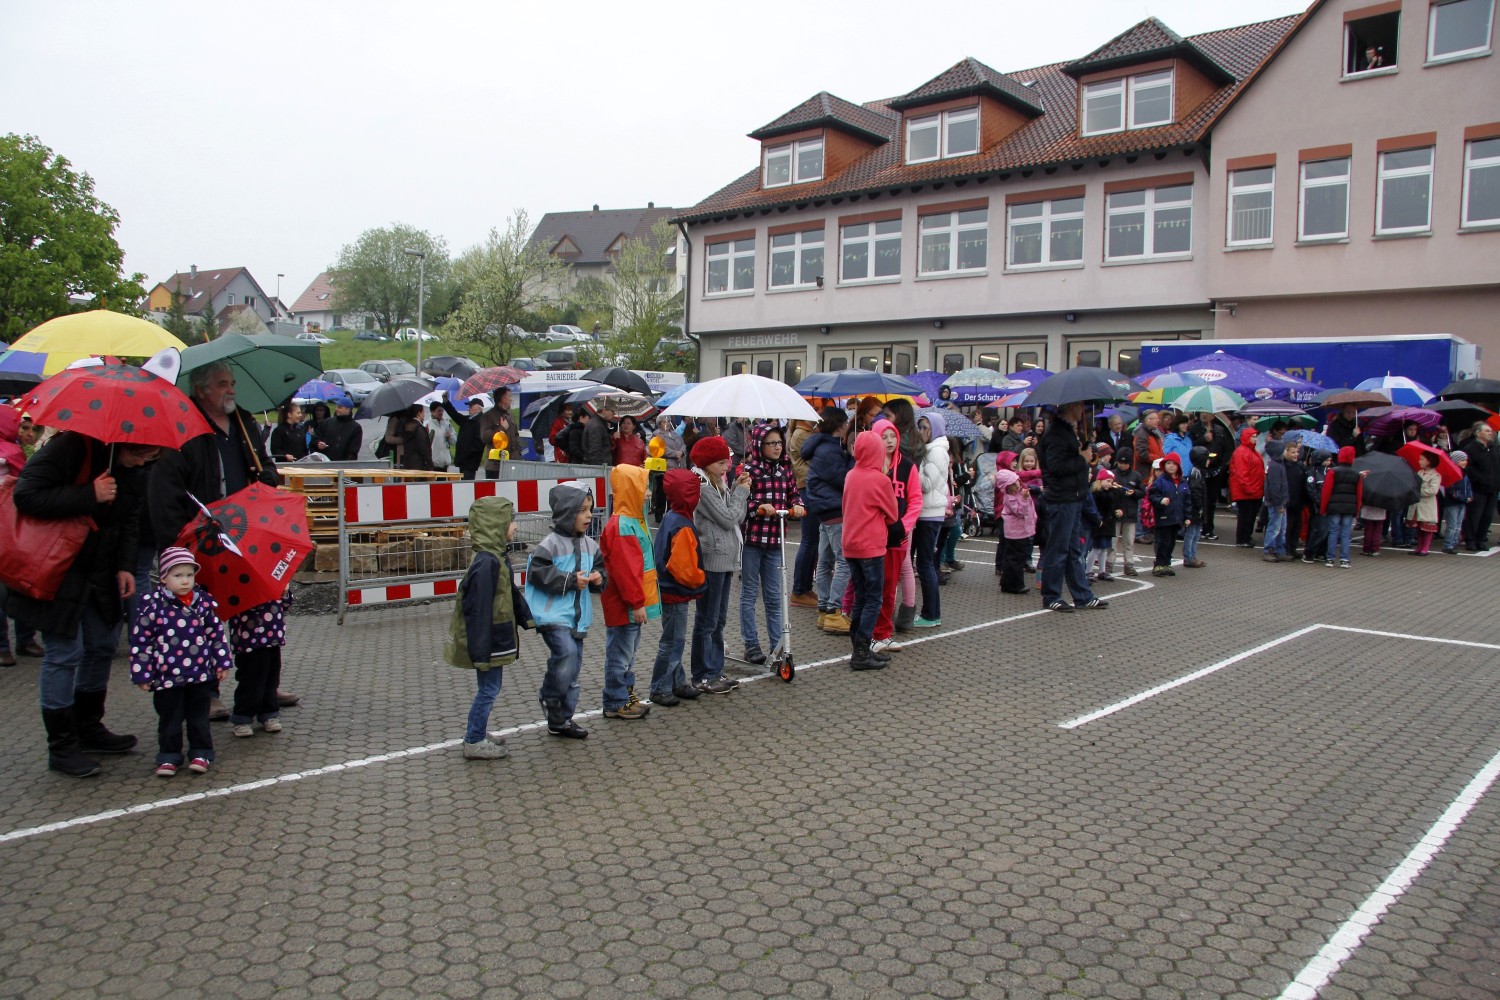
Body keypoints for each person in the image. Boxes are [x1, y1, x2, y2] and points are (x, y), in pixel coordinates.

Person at [8, 432, 160, 777]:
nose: (142, 463)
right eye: (140, 455)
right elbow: (26, 495)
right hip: (59, 567)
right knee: (64, 653)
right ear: (122, 443)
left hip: (101, 570)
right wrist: (89, 494)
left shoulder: (134, 469)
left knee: (102, 645)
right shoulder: (70, 447)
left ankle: (89, 726)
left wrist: (125, 565)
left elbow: (130, 519)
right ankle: (61, 746)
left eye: (150, 458)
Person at [129, 547, 232, 777]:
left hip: (199, 674)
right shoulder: (153, 606)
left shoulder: (203, 603)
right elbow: (141, 642)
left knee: (199, 717)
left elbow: (216, 635)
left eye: (189, 575)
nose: (185, 581)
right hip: (167, 676)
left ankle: (201, 752)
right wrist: (142, 673)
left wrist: (221, 662)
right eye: (178, 575)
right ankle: (169, 755)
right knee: (170, 718)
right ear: (163, 578)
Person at [445, 495, 534, 759]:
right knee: (489, 689)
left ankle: (478, 732)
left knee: (490, 687)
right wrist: (481, 649)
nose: (515, 527)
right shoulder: (488, 563)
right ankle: (474, 739)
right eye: (511, 521)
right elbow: (479, 609)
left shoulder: (495, 558)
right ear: (496, 525)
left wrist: (526, 618)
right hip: (490, 640)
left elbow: (510, 595)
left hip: (494, 636)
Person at [524, 484, 603, 739]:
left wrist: (599, 578)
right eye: (582, 510)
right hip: (553, 615)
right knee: (566, 653)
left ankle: (561, 720)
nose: (589, 515)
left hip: (578, 618)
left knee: (573, 670)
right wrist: (569, 580)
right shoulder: (550, 545)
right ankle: (549, 696)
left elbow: (602, 569)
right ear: (567, 512)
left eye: (590, 509)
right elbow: (538, 573)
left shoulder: (591, 545)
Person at [595, 464, 660, 720]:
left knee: (627, 653)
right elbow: (626, 571)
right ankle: (615, 700)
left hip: (630, 604)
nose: (649, 493)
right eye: (644, 487)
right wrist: (637, 602)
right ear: (631, 489)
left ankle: (624, 695)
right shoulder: (623, 525)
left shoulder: (632, 521)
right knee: (620, 654)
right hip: (625, 605)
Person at [737, 423, 803, 665]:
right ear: (759, 445)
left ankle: (778, 645)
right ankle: (751, 644)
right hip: (753, 541)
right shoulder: (748, 471)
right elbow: (740, 502)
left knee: (774, 597)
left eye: (779, 443)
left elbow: (794, 495)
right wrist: (758, 508)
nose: (777, 447)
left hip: (776, 542)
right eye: (771, 443)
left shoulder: (785, 470)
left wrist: (798, 506)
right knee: (749, 593)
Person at [689, 436, 749, 695]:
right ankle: (703, 674)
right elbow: (728, 518)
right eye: (721, 462)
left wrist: (736, 490)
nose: (727, 466)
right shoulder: (703, 487)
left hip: (725, 559)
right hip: (712, 559)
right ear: (707, 463)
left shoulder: (719, 484)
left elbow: (738, 516)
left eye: (727, 461)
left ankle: (715, 670)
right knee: (707, 620)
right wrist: (741, 493)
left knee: (719, 619)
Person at [1036, 403, 1105, 612]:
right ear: (1070, 407)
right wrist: (1081, 459)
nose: (1083, 409)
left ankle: (1082, 595)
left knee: (1074, 550)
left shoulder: (1067, 431)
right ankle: (1051, 595)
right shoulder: (1057, 434)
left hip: (1072, 497)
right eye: (1079, 405)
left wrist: (1082, 452)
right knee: (1058, 549)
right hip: (1062, 498)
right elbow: (1055, 466)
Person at [649, 468, 707, 707]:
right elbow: (683, 568)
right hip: (675, 591)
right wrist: (700, 579)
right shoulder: (682, 523)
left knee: (674, 639)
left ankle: (677, 681)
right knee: (672, 642)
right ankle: (660, 687)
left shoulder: (672, 516)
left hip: (669, 589)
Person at [842, 430, 898, 670]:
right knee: (874, 599)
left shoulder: (850, 475)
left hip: (850, 544)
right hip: (871, 546)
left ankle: (859, 647)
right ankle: (862, 651)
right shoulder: (880, 480)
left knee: (860, 597)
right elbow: (893, 514)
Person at [868, 418, 920, 655]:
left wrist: (904, 526)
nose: (889, 441)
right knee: (871, 586)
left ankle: (883, 633)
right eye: (884, 437)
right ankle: (868, 633)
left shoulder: (908, 466)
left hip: (898, 536)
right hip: (873, 536)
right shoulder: (869, 466)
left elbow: (915, 500)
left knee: (889, 587)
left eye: (893, 436)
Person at [802, 408, 854, 635]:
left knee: (825, 561)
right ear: (838, 426)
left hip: (823, 509)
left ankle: (824, 608)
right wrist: (852, 459)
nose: (847, 427)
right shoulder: (830, 450)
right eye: (846, 424)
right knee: (844, 561)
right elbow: (844, 480)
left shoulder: (821, 446)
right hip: (834, 508)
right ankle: (833, 610)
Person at [913, 410, 949, 628]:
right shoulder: (932, 449)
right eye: (919, 427)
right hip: (928, 511)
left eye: (925, 427)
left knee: (925, 564)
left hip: (929, 513)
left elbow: (926, 484)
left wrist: (915, 467)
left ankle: (930, 614)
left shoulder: (935, 451)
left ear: (933, 430)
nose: (921, 431)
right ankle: (931, 613)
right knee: (924, 563)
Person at [788, 417, 820, 608]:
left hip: (809, 487)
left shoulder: (806, 433)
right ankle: (799, 589)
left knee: (812, 541)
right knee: (809, 541)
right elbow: (814, 459)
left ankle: (805, 588)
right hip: (807, 487)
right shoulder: (801, 434)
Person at [1147, 453, 1193, 576]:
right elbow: (1152, 495)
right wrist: (1160, 500)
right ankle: (1159, 564)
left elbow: (1187, 501)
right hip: (1163, 517)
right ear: (1164, 466)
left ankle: (1167, 564)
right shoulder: (1160, 481)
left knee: (1172, 542)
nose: (1171, 466)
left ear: (1178, 466)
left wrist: (1187, 517)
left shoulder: (1183, 482)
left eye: (1174, 464)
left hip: (1177, 518)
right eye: (1168, 463)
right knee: (1163, 542)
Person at [1320, 446, 1364, 568]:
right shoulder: (1356, 474)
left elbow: (1326, 491)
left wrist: (1323, 508)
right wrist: (1357, 510)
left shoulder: (1333, 472)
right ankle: (1344, 559)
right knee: (1345, 533)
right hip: (1349, 507)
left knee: (1333, 532)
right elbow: (1359, 494)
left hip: (1334, 506)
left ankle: (1330, 558)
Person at [995, 468, 1036, 594]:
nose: (1016, 485)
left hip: (1021, 530)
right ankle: (1015, 585)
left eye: (1016, 481)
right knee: (1016, 559)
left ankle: (1006, 583)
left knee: (1013, 558)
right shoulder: (1010, 497)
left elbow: (1030, 510)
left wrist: (1033, 519)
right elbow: (1020, 511)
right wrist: (1024, 499)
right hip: (1015, 532)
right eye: (1012, 484)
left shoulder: (1020, 493)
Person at [1461, 423, 1498, 550]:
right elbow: (1468, 468)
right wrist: (1480, 479)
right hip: (1477, 488)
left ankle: (1481, 539)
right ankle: (1470, 540)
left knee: (1487, 516)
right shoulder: (1470, 448)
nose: (1490, 433)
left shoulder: (1494, 448)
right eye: (1487, 431)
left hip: (1493, 488)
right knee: (1474, 515)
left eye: (1491, 431)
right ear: (1478, 433)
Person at [1108, 449, 1143, 577]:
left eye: (1126, 463)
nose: (1123, 465)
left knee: (1129, 542)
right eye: (1120, 462)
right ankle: (1109, 564)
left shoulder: (1136, 476)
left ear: (1130, 463)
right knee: (1112, 541)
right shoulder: (1112, 474)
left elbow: (1142, 492)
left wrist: (1134, 493)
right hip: (1115, 512)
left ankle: (1129, 565)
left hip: (1130, 513)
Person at [1229, 427, 1265, 548]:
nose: (1255, 439)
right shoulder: (1242, 452)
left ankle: (1246, 537)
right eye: (1253, 437)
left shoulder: (1251, 451)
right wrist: (1248, 489)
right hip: (1246, 492)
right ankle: (1242, 539)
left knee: (1250, 516)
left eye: (1255, 437)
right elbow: (1241, 474)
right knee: (1245, 516)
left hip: (1253, 490)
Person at [378, 405, 434, 470]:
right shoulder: (396, 419)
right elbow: (389, 438)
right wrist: (406, 439)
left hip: (406, 458)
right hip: (393, 454)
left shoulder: (410, 422)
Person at [1407, 453, 1442, 556]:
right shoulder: (1419, 472)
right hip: (1417, 504)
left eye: (1422, 459)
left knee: (1427, 527)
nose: (1419, 461)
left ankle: (1425, 548)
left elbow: (1433, 490)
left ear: (1429, 461)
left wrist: (1418, 491)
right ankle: (1419, 547)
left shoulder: (1436, 475)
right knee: (1419, 527)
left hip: (1427, 505)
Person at [1261, 439, 1290, 562]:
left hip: (1280, 501)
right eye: (1284, 450)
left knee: (1281, 528)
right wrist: (1279, 503)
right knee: (1274, 527)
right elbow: (1274, 487)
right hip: (1276, 503)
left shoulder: (1278, 464)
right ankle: (1269, 550)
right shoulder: (1275, 466)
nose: (1286, 451)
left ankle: (1279, 550)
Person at [1183, 445, 1210, 569]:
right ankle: (1189, 557)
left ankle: (1192, 556)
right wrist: (1199, 507)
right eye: (1207, 458)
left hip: (1197, 509)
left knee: (1196, 534)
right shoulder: (1196, 474)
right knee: (1191, 533)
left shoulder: (1199, 472)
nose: (1209, 461)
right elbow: (1195, 492)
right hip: (1194, 510)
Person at [313, 396, 363, 461]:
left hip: (344, 464)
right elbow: (316, 438)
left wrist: (347, 463)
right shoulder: (327, 422)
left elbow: (353, 451)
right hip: (325, 462)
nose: (336, 409)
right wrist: (318, 443)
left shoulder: (355, 428)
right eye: (336, 407)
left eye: (340, 407)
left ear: (348, 409)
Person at [1440, 451, 1472, 554]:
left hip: (1462, 502)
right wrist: (1464, 498)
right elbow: (1452, 491)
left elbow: (1468, 486)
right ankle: (1448, 545)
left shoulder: (1464, 473)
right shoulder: (1451, 474)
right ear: (1455, 461)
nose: (1465, 462)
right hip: (1452, 503)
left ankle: (1453, 543)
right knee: (1452, 525)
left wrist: (1469, 496)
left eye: (1466, 460)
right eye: (1462, 460)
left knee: (1458, 525)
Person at [481, 387, 515, 478]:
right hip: (495, 465)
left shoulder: (510, 415)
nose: (511, 399)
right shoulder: (488, 416)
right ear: (503, 399)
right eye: (509, 396)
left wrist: (518, 456)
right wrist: (501, 428)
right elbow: (485, 437)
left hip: (511, 463)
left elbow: (515, 436)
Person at [451, 397, 486, 480]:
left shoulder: (481, 421)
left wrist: (466, 452)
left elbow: (479, 443)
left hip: (470, 461)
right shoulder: (468, 420)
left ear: (478, 409)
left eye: (471, 406)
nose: (468, 409)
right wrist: (446, 403)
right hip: (463, 460)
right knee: (464, 482)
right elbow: (455, 415)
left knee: (467, 483)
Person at [579, 401, 615, 466]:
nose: (614, 414)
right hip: (598, 467)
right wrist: (598, 469)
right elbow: (594, 450)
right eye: (612, 411)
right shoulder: (596, 426)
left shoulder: (598, 423)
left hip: (600, 466)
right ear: (604, 410)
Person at [428, 401, 456, 471]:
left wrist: (450, 436)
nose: (441, 413)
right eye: (438, 411)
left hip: (444, 464)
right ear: (432, 412)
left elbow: (454, 442)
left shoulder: (447, 424)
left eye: (442, 410)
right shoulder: (427, 425)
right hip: (432, 464)